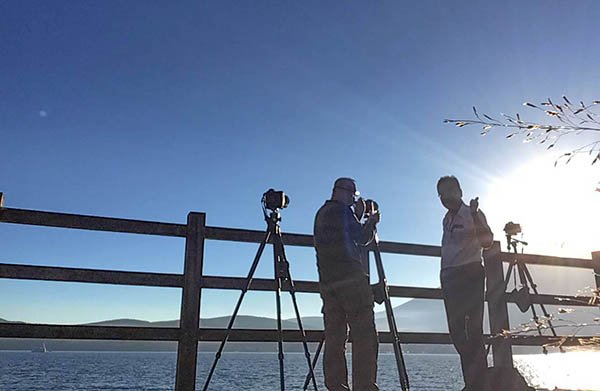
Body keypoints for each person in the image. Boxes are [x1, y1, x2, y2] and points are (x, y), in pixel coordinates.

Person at [314, 177, 380, 391]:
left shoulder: (322, 213)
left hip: (328, 283)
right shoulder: (342, 212)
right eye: (353, 196)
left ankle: (337, 386)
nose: (354, 200)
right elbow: (361, 238)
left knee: (335, 338)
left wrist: (357, 216)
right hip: (351, 281)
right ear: (346, 192)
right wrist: (371, 221)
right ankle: (364, 386)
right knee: (364, 336)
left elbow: (345, 235)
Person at [437, 175, 494, 391]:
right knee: (457, 331)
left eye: (449, 191)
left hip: (469, 274)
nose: (445, 197)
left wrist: (475, 214)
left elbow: (487, 242)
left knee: (473, 330)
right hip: (449, 277)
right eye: (441, 194)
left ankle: (477, 383)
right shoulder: (446, 219)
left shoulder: (473, 214)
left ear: (460, 191)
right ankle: (473, 381)